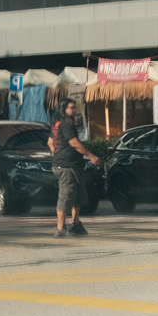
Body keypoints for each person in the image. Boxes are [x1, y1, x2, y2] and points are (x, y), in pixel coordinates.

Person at [50, 100, 99, 238]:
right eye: (71, 108)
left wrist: (58, 153)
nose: (74, 110)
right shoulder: (66, 123)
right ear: (64, 108)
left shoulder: (56, 123)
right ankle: (60, 228)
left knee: (77, 195)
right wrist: (91, 155)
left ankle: (76, 224)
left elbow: (50, 142)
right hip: (66, 167)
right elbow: (74, 143)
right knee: (66, 196)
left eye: (75, 108)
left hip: (71, 165)